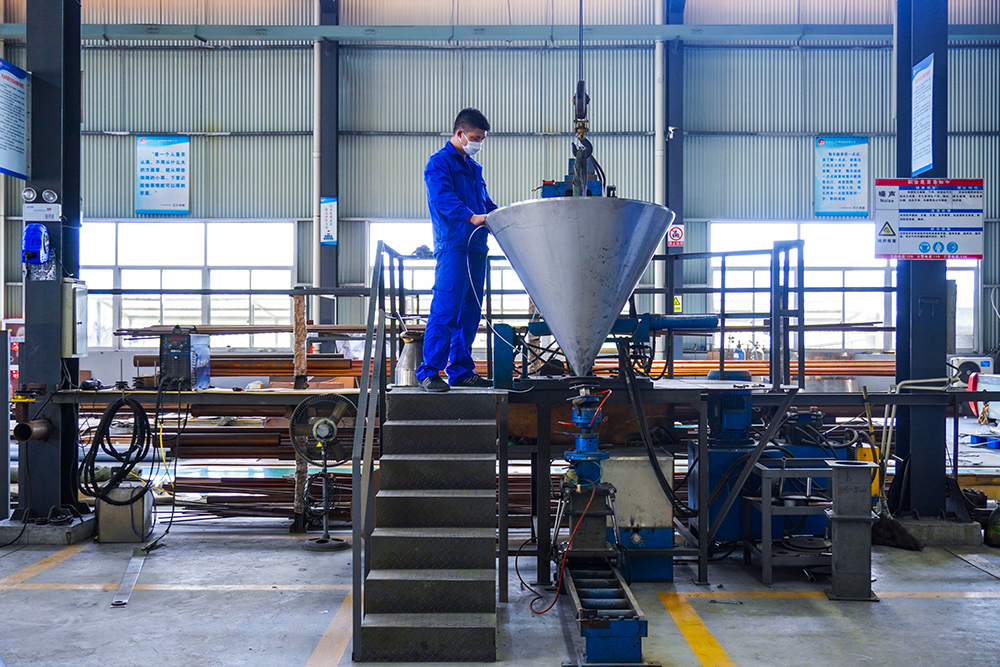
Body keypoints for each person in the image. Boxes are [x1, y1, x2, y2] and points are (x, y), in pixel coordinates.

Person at [416, 108, 498, 392]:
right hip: (453, 246)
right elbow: (443, 198)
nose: (479, 143)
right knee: (447, 308)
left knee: (470, 312)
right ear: (460, 133)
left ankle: (461, 371)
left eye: (482, 139)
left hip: (476, 248)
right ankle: (429, 372)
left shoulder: (474, 168)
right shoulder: (439, 163)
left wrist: (504, 218)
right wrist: (470, 216)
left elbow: (485, 203)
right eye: (476, 138)